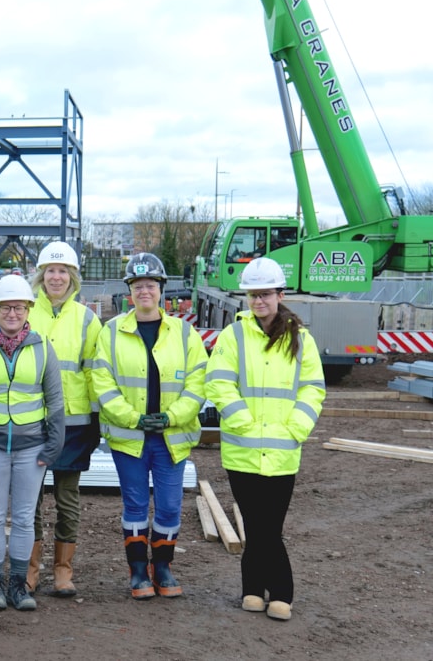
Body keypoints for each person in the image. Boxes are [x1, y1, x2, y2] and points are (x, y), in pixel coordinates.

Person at [205, 257, 325, 621]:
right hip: (242, 450)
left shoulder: (301, 339)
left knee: (268, 527)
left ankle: (271, 592)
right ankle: (259, 592)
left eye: (266, 294)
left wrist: (295, 429)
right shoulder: (233, 336)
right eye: (253, 295)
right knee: (257, 524)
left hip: (283, 450)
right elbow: (219, 382)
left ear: (280, 295)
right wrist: (241, 420)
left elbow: (313, 389)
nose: (259, 301)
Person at [90, 252, 207, 601]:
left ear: (161, 290)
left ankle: (165, 567)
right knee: (136, 505)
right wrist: (133, 418)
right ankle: (139, 570)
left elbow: (198, 384)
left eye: (151, 285)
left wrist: (172, 417)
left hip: (171, 437)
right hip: (131, 439)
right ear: (129, 291)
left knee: (170, 506)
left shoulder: (185, 334)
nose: (145, 291)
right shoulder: (111, 333)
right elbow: (102, 381)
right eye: (138, 285)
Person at [0, 274, 64, 612]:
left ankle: (19, 586)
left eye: (18, 307)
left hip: (32, 447)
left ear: (28, 309)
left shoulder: (43, 347)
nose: (12, 313)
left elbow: (56, 401)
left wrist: (53, 445)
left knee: (22, 517)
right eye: (5, 307)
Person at [25, 241, 101, 597]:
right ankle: (31, 569)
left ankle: (62, 571)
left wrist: (97, 420)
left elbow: (94, 372)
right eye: (50, 271)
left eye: (63, 272)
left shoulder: (87, 319)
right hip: (32, 420)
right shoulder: (25, 312)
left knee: (67, 499)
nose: (56, 278)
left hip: (74, 423)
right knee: (31, 499)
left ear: (73, 278)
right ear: (41, 276)